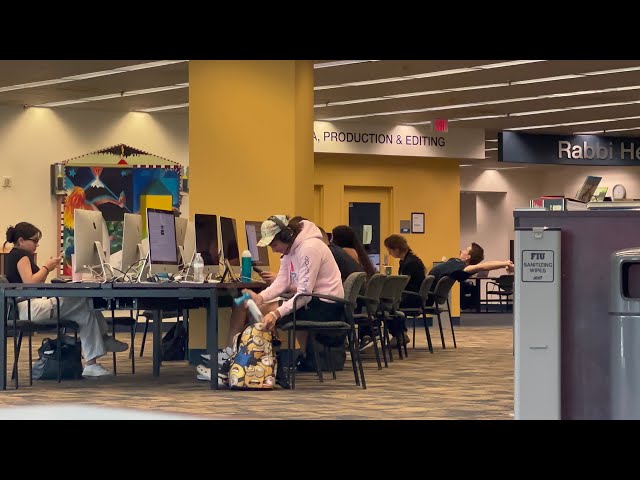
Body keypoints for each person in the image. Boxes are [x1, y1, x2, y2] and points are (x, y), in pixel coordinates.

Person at [200, 215, 344, 383]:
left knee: (264, 313)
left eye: (274, 245)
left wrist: (275, 313)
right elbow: (281, 283)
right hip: (312, 300)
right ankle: (234, 358)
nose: (274, 250)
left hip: (327, 306)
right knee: (248, 307)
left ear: (286, 237)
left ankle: (240, 365)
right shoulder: (290, 251)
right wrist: (259, 297)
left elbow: (304, 295)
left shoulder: (309, 248)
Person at [3, 222, 128, 378]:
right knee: (84, 299)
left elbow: (34, 283)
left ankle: (92, 363)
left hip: (30, 306)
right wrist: (46, 267)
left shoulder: (16, 255)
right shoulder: (20, 255)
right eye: (34, 241)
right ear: (21, 241)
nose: (37, 245)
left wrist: (46, 269)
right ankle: (102, 339)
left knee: (85, 310)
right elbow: (31, 282)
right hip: (31, 308)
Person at [383, 234, 426, 346]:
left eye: (390, 250)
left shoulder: (410, 263)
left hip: (412, 297)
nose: (389, 254)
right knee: (390, 303)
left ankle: (398, 334)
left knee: (386, 306)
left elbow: (403, 283)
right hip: (413, 295)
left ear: (396, 249)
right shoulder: (408, 260)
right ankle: (401, 333)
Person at [429, 243, 514, 288]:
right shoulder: (458, 263)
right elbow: (489, 263)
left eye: (466, 249)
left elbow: (483, 266)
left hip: (424, 295)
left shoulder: (464, 268)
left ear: (467, 257)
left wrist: (505, 264)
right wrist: (505, 263)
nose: (462, 250)